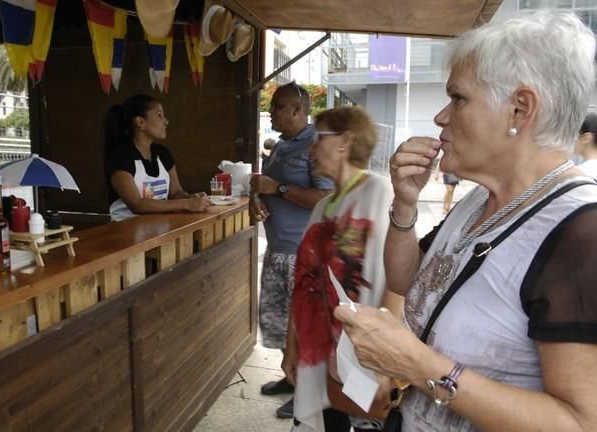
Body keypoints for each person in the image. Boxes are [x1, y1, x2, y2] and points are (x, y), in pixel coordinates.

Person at [335, 11, 597, 432]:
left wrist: (418, 365)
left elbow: (580, 423)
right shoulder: (481, 198)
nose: (441, 117)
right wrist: (404, 206)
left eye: (458, 98)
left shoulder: (580, 232)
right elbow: (410, 281)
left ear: (519, 109)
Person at [282, 106, 403, 432]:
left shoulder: (378, 192)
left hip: (360, 351)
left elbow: (398, 278)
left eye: (318, 137)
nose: (310, 147)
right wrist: (291, 345)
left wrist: (386, 352)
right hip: (318, 349)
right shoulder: (323, 206)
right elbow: (305, 281)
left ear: (344, 142)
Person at [250, 81, 334, 419]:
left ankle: (306, 391)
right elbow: (267, 187)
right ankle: (289, 376)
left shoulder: (315, 146)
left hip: (303, 252)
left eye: (277, 106)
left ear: (298, 109)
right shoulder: (283, 145)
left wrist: (279, 188)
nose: (271, 111)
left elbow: (327, 198)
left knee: (303, 324)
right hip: (278, 249)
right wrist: (257, 199)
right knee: (282, 320)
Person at [104, 94, 211, 221]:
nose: (166, 121)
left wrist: (191, 198)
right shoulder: (120, 157)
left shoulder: (163, 153)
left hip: (158, 229)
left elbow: (175, 192)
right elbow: (137, 205)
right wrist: (186, 204)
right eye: (159, 115)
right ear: (140, 122)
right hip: (125, 232)